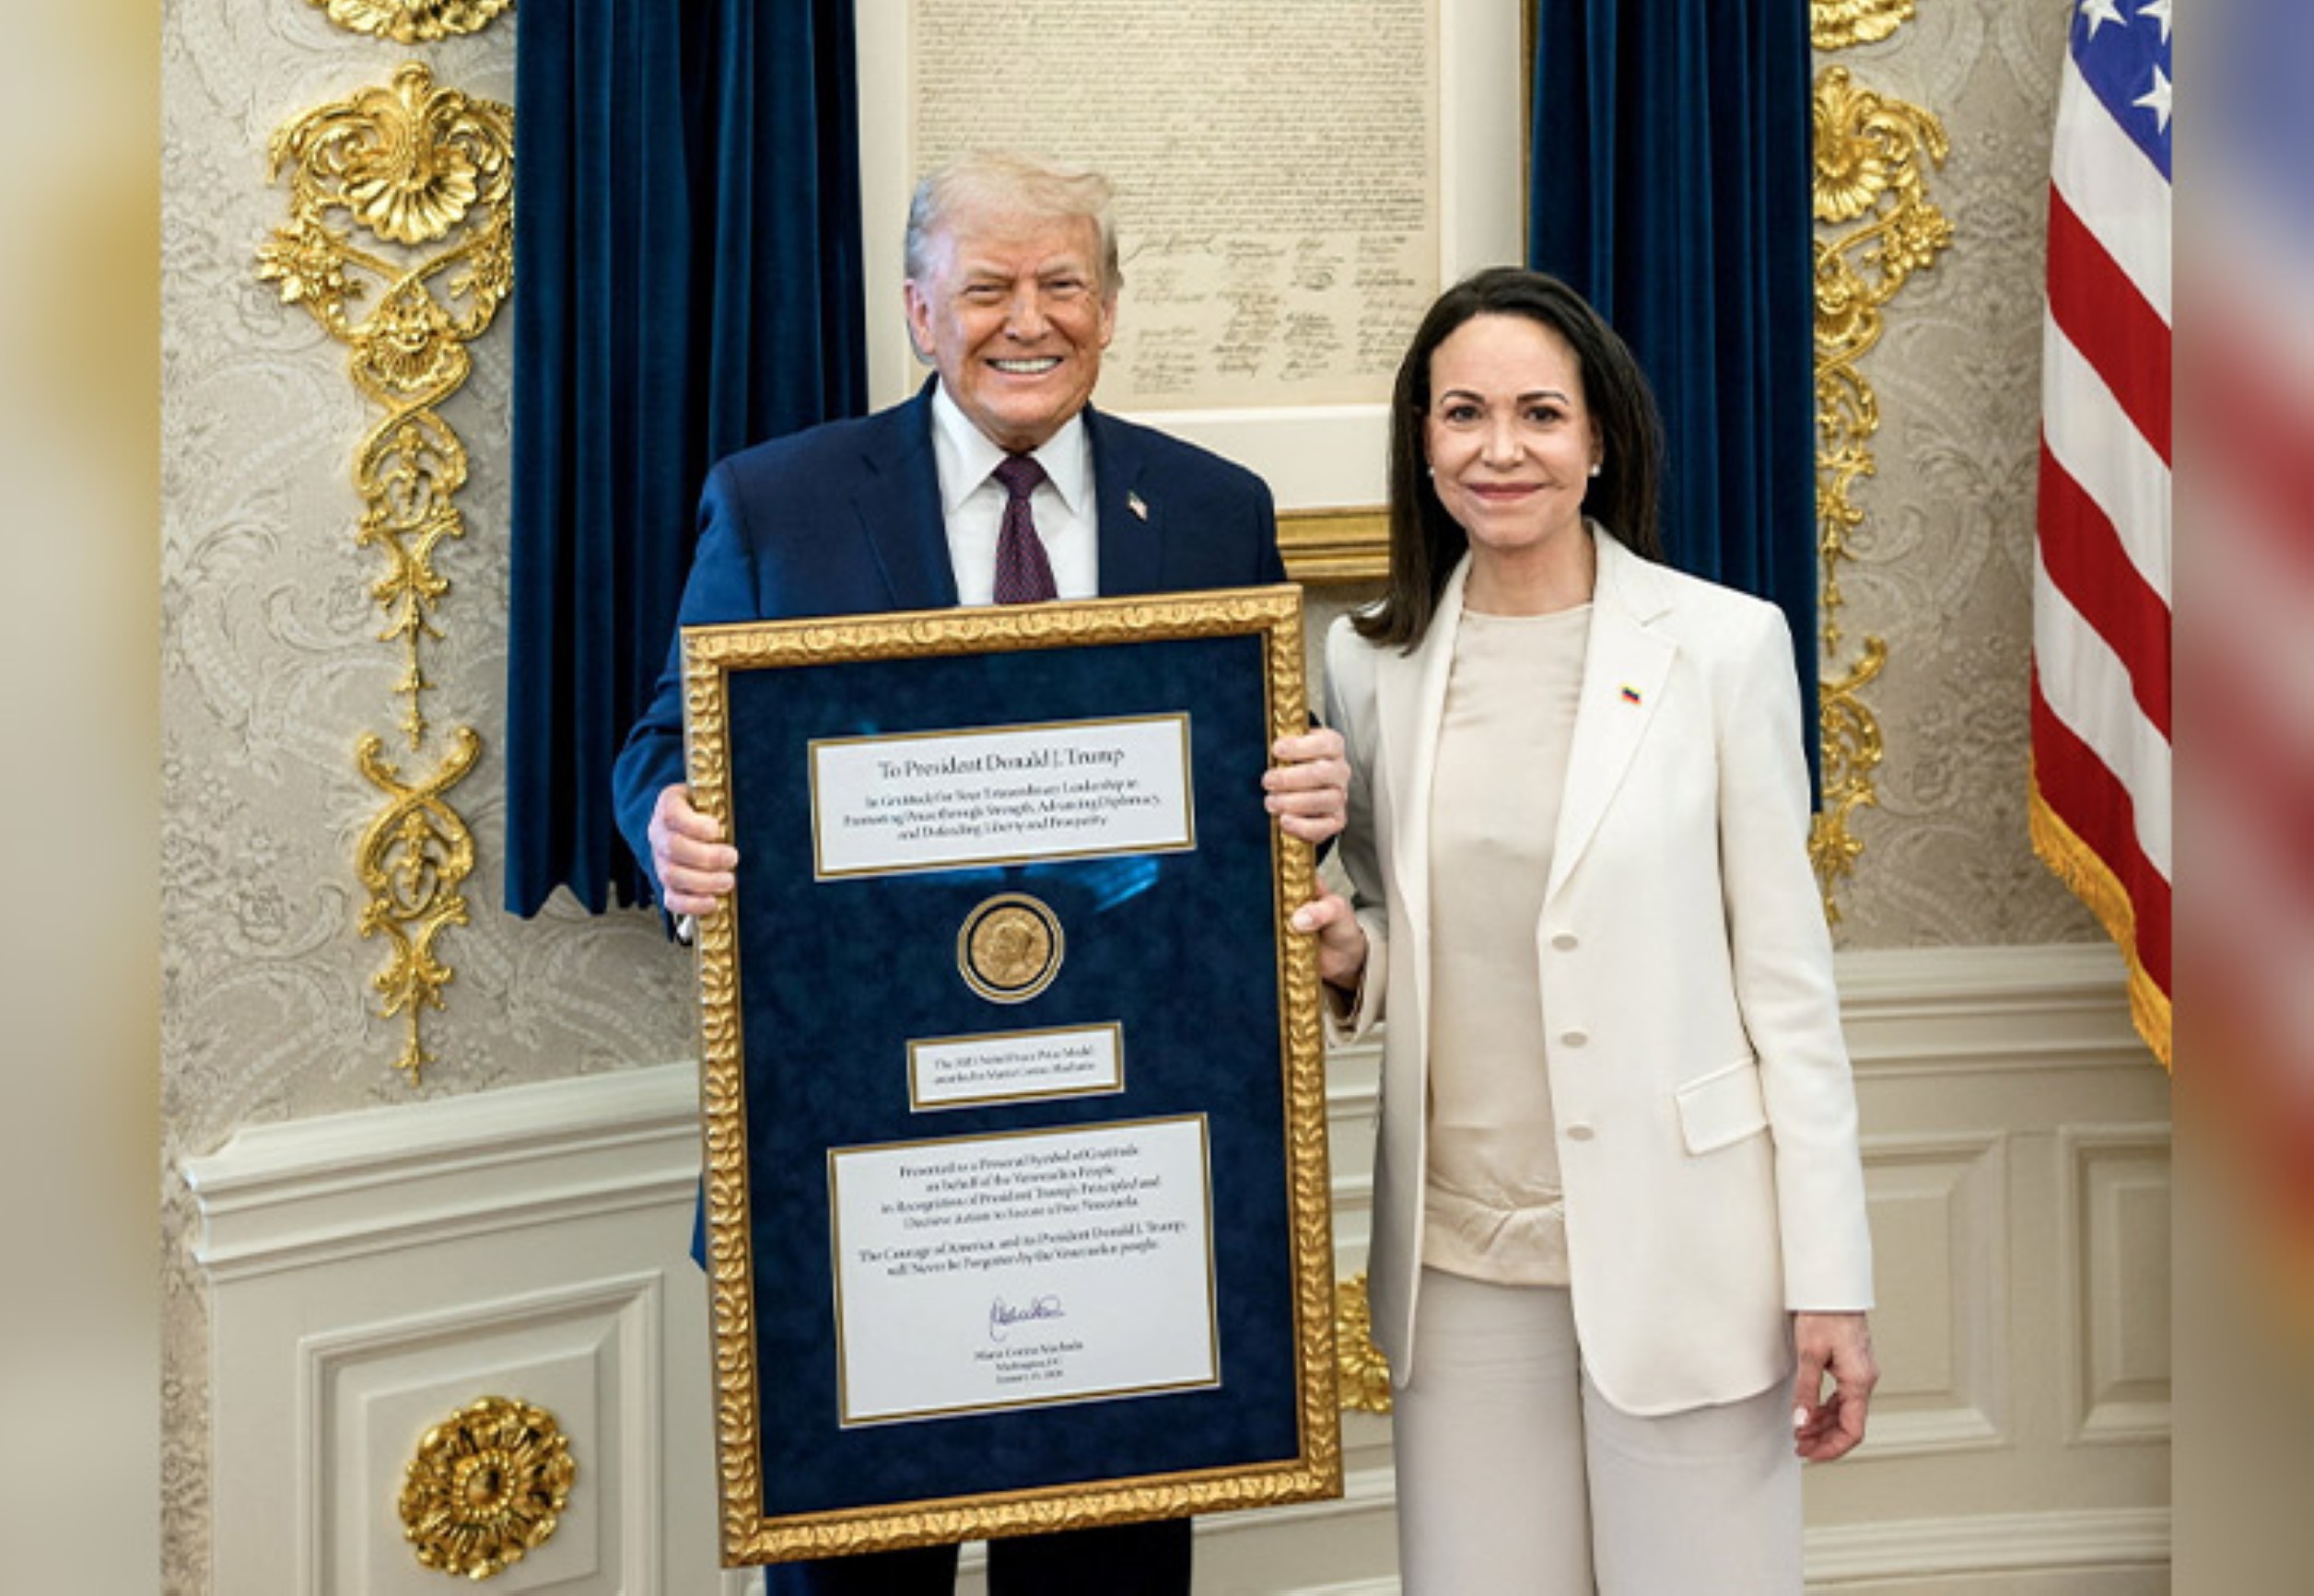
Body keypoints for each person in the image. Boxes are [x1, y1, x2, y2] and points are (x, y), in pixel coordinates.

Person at [614, 151, 1349, 1596]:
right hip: (857, 1140)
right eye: (990, 287)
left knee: (1108, 1569)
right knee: (854, 1572)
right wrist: (669, 822)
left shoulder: (1210, 506)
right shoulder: (781, 500)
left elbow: (1242, 787)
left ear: (1111, 307)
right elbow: (665, 741)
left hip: (1124, 1140)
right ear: (917, 309)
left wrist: (1310, 793)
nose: (1031, 320)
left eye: (1064, 284)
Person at [1292, 267, 1877, 1594]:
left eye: (1540, 414)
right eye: (1463, 414)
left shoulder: (1723, 648)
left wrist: (1830, 1279)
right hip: (1458, 1259)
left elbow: (1789, 987)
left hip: (1691, 1251)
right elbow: (1393, 915)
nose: (1501, 449)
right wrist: (1348, 957)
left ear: (1600, 439)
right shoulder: (1369, 665)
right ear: (1422, 441)